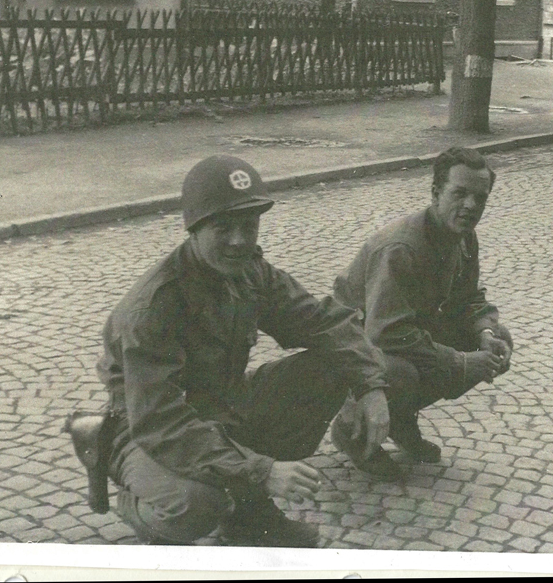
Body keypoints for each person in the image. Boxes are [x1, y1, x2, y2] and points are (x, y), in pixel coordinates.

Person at [95, 155, 390, 547]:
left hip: (221, 408)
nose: (239, 240)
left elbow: (324, 322)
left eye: (248, 226)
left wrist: (370, 385)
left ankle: (248, 513)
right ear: (194, 229)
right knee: (197, 504)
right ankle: (134, 496)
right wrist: (261, 470)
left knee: (333, 366)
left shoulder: (250, 271)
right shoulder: (154, 307)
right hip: (145, 428)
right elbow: (160, 422)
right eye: (223, 227)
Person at [330, 147, 513, 480]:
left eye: (480, 198)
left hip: (402, 332)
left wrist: (485, 334)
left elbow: (469, 299)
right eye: (460, 193)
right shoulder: (401, 248)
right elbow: (385, 333)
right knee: (401, 373)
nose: (471, 206)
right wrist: (460, 361)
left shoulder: (462, 236)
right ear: (435, 193)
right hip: (353, 348)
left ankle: (399, 420)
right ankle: (352, 429)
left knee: (498, 339)